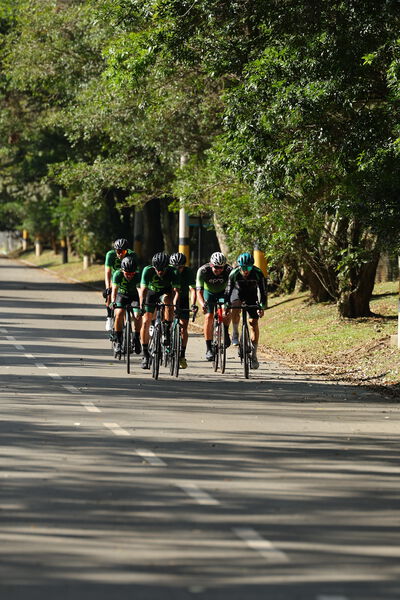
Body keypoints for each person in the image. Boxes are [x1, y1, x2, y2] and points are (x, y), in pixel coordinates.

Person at [225, 252, 267, 369]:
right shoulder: (234, 273)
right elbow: (228, 291)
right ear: (239, 266)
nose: (246, 270)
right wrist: (227, 304)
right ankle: (235, 333)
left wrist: (262, 306)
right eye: (243, 267)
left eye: (248, 267)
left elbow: (263, 291)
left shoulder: (258, 273)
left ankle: (254, 355)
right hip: (237, 294)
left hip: (252, 296)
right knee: (235, 306)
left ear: (252, 266)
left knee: (253, 323)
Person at [139, 252, 180, 369]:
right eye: (158, 269)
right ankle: (146, 354)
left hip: (166, 292)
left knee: (168, 301)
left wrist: (175, 305)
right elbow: (143, 291)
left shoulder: (174, 272)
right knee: (146, 321)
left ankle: (167, 329)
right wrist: (141, 305)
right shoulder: (148, 270)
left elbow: (176, 292)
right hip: (151, 293)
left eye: (162, 269)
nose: (160, 271)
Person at [196, 251, 232, 361]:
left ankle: (225, 331)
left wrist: (228, 304)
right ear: (211, 265)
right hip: (209, 293)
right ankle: (208, 349)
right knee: (209, 317)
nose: (219, 270)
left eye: (222, 267)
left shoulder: (229, 270)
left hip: (223, 293)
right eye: (216, 267)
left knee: (226, 311)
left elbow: (233, 288)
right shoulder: (203, 271)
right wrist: (202, 304)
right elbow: (199, 292)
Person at [110, 255, 142, 355]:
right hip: (121, 296)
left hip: (134, 296)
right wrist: (113, 302)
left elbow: (140, 291)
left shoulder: (137, 275)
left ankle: (136, 338)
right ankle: (118, 341)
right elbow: (114, 290)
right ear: (122, 270)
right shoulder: (117, 274)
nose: (129, 276)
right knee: (119, 313)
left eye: (132, 273)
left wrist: (141, 305)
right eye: (127, 273)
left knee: (137, 316)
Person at [170, 252, 197, 369]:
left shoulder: (188, 272)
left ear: (184, 266)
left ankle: (182, 354)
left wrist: (194, 304)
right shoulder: (168, 271)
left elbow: (193, 290)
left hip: (184, 298)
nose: (177, 269)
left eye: (180, 267)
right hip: (170, 297)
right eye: (175, 267)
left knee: (183, 327)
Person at [104, 239, 138, 331]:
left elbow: (136, 271)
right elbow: (107, 272)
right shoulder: (110, 255)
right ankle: (109, 317)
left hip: (128, 276)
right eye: (118, 251)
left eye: (123, 251)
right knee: (109, 294)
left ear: (127, 250)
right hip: (115, 278)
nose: (120, 254)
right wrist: (107, 288)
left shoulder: (132, 255)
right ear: (115, 250)